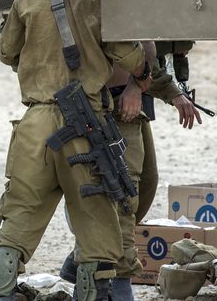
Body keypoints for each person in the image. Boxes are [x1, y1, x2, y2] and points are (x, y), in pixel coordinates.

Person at [0, 0, 149, 301]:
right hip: (87, 125)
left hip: (35, 123)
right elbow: (134, 60)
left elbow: (8, 53)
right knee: (96, 223)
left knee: (20, 214)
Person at [59, 50, 202, 300]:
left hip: (129, 103)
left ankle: (91, 253)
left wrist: (165, 90)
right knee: (120, 194)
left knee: (145, 184)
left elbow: (140, 54)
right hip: (94, 106)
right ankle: (110, 271)